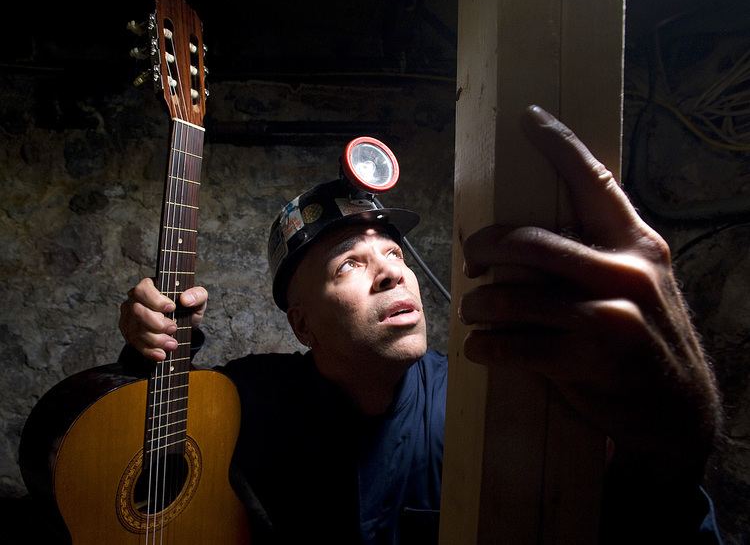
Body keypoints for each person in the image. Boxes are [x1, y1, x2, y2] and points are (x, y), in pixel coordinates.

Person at [119, 105, 723, 544]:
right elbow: (127, 465)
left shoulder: (486, 402)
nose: (391, 276)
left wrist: (667, 460)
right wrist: (149, 350)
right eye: (348, 265)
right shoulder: (243, 403)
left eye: (395, 256)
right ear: (301, 324)